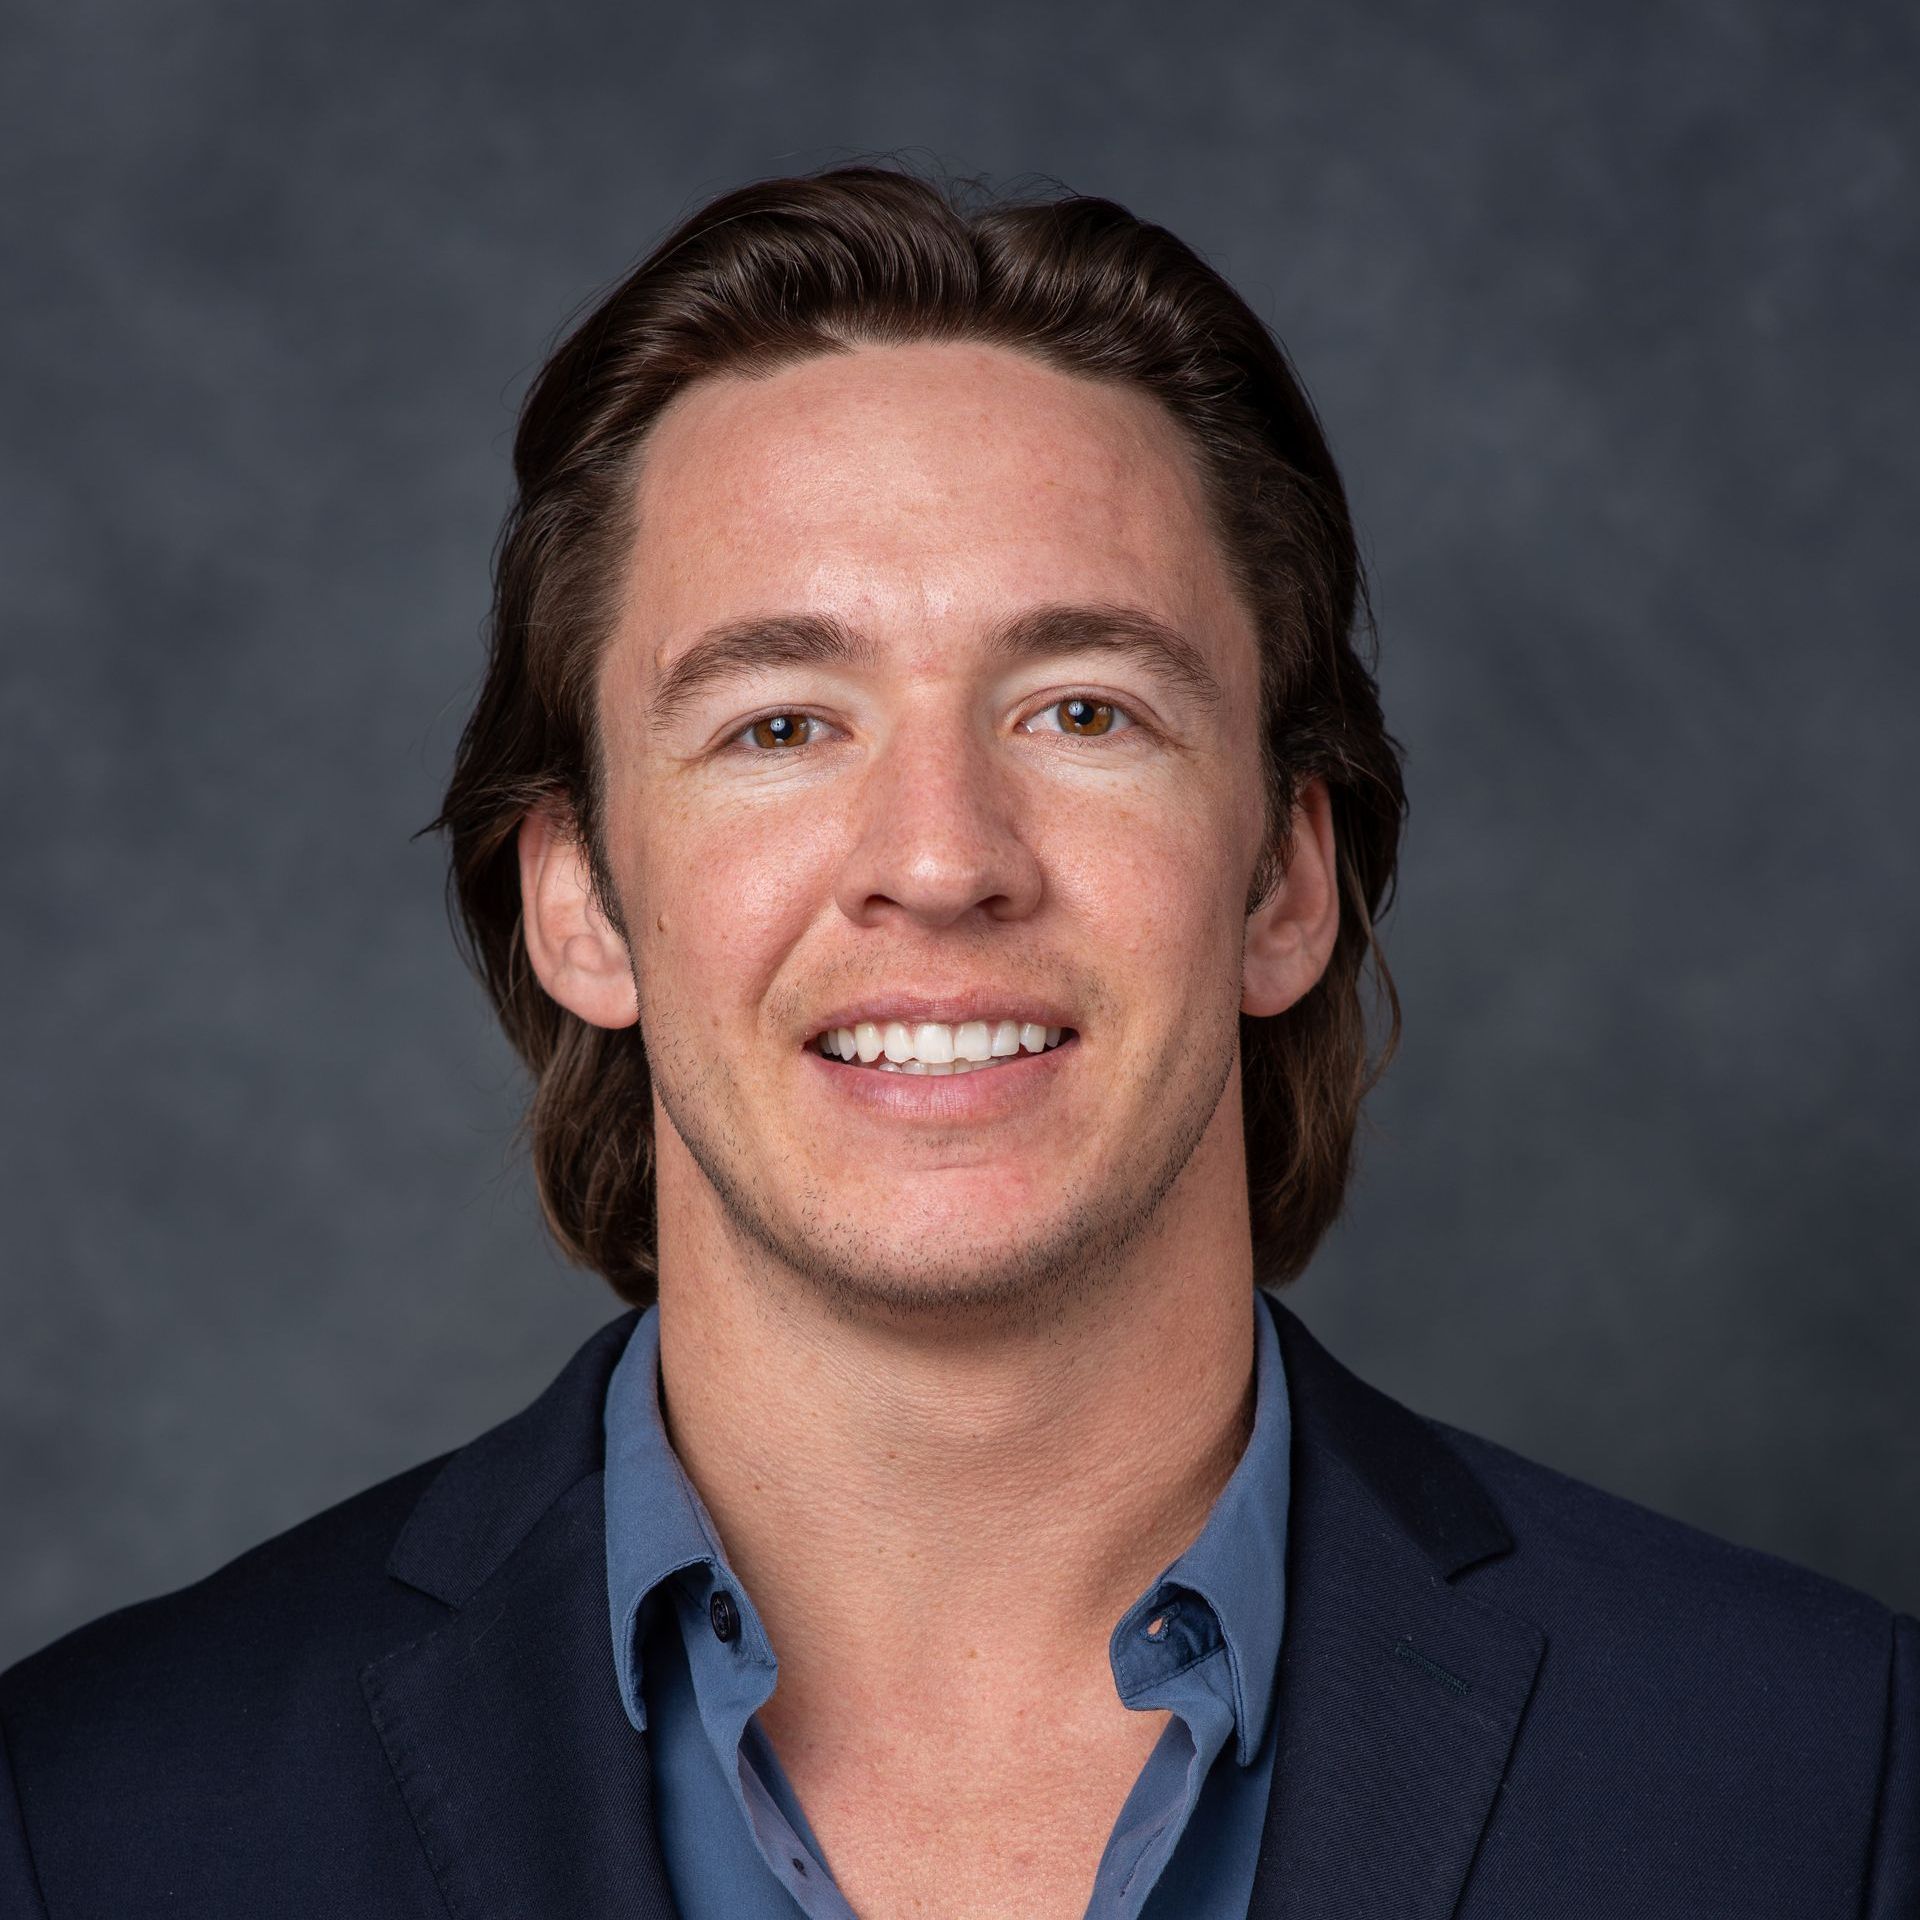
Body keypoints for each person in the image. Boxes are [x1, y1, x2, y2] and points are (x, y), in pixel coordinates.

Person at [1, 163, 1912, 1920]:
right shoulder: (91, 1824)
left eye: (1083, 712)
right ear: (579, 900)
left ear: (1284, 885)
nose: (939, 859)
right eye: (779, 725)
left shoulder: (1824, 1786)